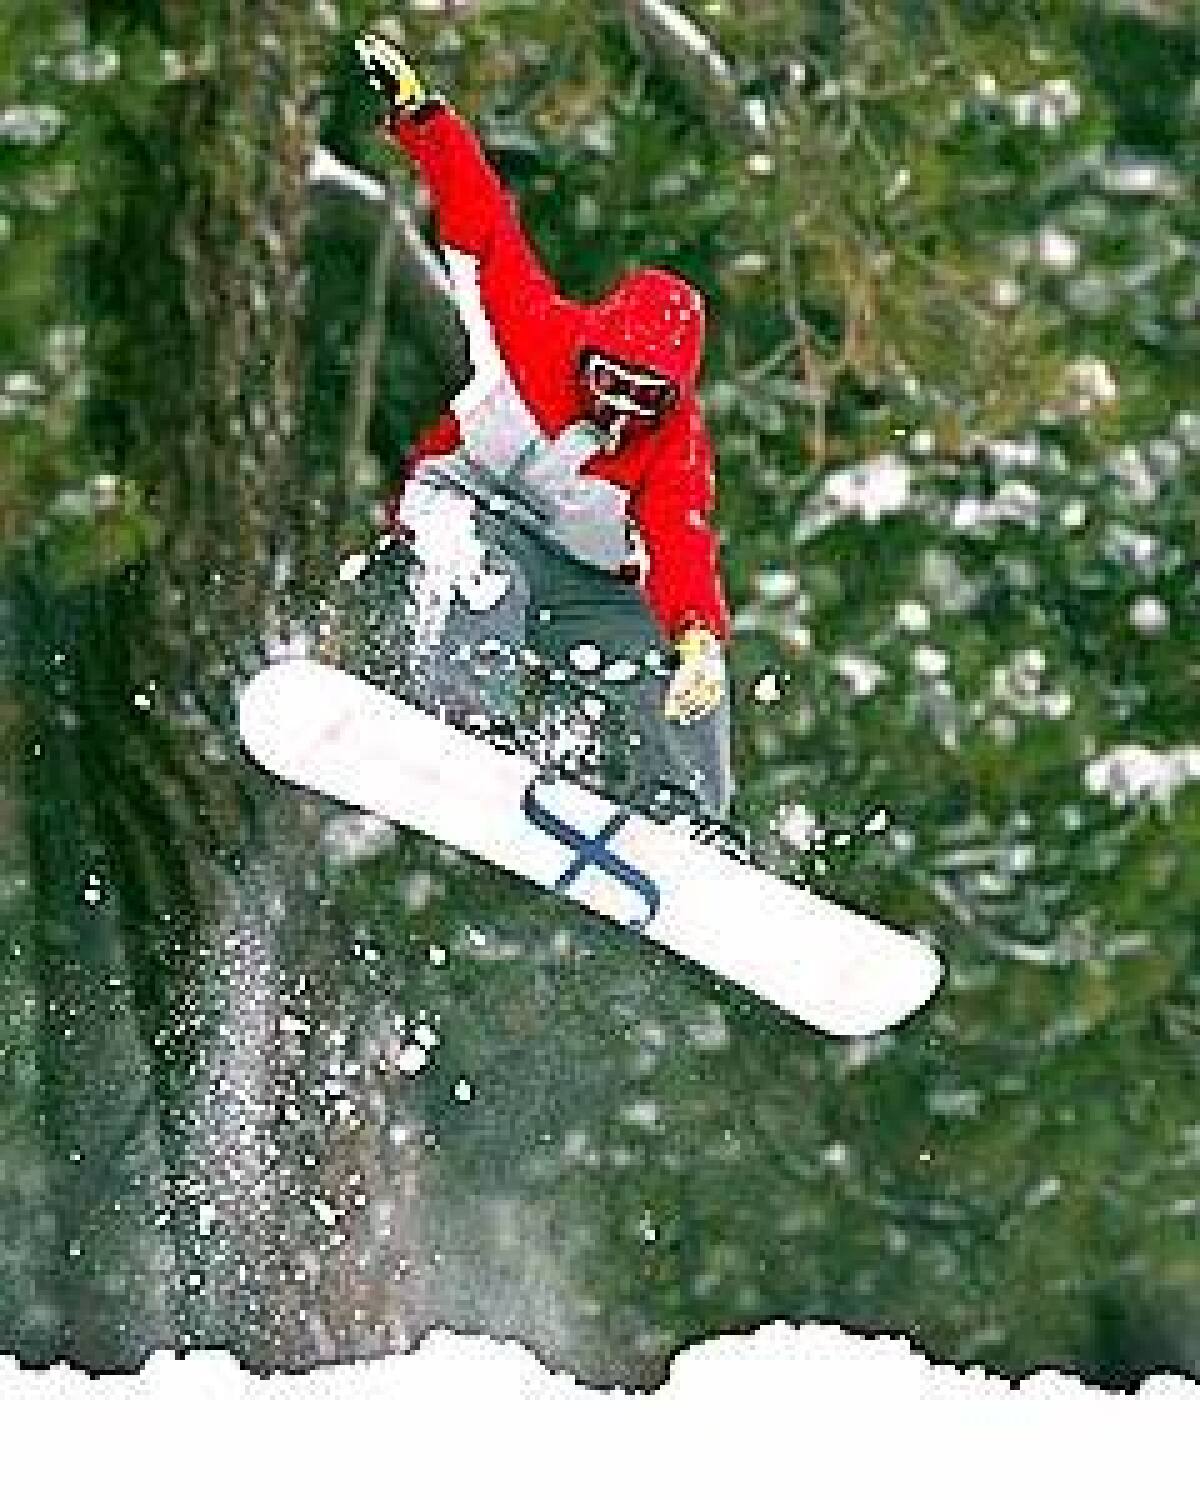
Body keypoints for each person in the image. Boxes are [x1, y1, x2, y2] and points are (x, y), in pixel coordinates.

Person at [355, 31, 734, 818]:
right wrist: (425, 120)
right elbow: (483, 225)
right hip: (465, 510)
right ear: (590, 352)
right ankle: (467, 722)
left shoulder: (674, 450)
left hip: (575, 580)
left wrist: (698, 642)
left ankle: (691, 817)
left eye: (646, 398)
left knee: (672, 664)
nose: (623, 408)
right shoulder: (532, 334)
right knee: (483, 570)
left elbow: (681, 541)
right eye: (611, 383)